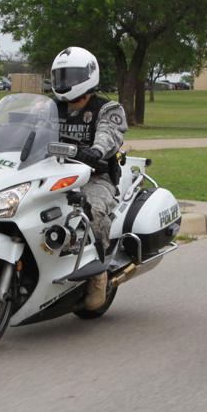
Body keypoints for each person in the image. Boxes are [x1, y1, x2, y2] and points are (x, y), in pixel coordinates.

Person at [50, 46, 128, 310]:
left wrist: (96, 151)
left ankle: (98, 274)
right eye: (61, 77)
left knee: (92, 211)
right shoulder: (51, 108)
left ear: (89, 77)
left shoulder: (107, 108)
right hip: (53, 175)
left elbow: (110, 134)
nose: (65, 83)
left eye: (71, 76)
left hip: (95, 177)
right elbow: (24, 129)